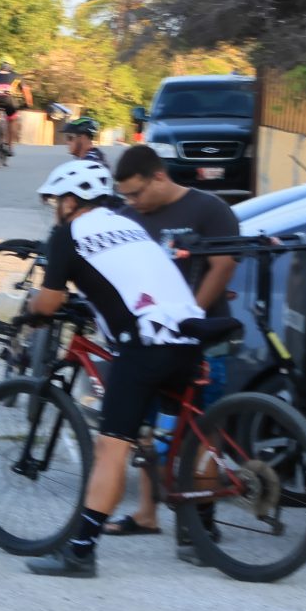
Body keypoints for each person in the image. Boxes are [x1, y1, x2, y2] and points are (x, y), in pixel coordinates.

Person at [17, 158, 210, 578]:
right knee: (164, 429)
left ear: (72, 201)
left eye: (57, 201)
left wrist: (32, 307)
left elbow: (48, 303)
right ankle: (193, 516)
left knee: (110, 448)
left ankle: (81, 553)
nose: (55, 209)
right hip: (190, 333)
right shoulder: (130, 226)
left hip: (146, 344)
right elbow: (125, 281)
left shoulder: (68, 236)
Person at [89, 143, 243, 547]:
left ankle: (202, 527)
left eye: (138, 193)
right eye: (126, 196)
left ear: (159, 176)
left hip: (201, 340)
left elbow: (224, 266)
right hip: (149, 343)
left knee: (200, 435)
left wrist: (187, 313)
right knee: (148, 430)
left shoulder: (208, 209)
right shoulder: (128, 218)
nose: (133, 203)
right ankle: (146, 513)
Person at [0, 61, 30, 145]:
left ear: (1, 66)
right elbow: (26, 91)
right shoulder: (17, 76)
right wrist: (28, 103)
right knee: (12, 120)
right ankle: (9, 145)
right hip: (8, 100)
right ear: (11, 67)